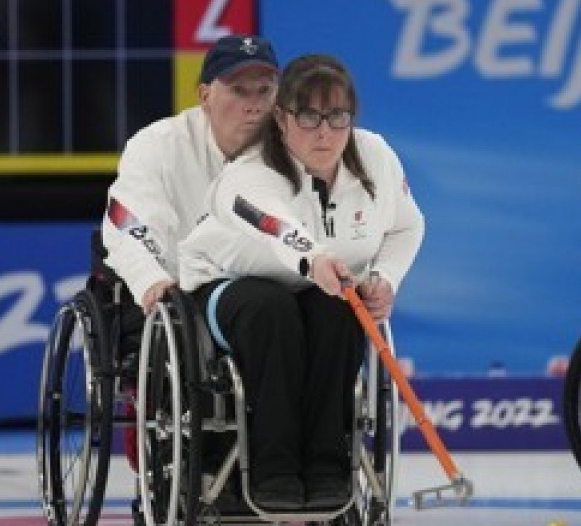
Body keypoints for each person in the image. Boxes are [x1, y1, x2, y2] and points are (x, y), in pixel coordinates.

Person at [178, 54, 425, 510]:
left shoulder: (376, 158)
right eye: (309, 116)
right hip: (229, 283)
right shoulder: (249, 174)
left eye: (337, 116)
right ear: (281, 117)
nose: (325, 131)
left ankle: (328, 465)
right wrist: (313, 259)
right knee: (271, 311)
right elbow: (275, 225)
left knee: (339, 311)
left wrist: (385, 279)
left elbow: (407, 227)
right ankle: (273, 467)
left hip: (321, 288)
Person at [102, 34, 280, 313]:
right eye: (239, 90)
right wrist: (150, 279)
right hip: (184, 293)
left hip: (268, 292)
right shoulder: (157, 145)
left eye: (264, 90)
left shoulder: (294, 149)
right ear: (204, 96)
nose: (254, 105)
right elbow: (126, 221)